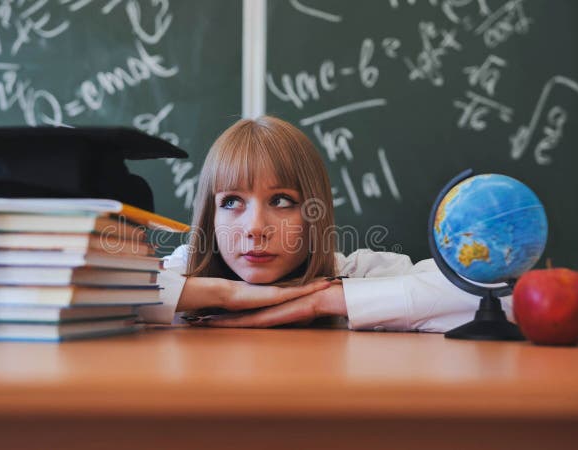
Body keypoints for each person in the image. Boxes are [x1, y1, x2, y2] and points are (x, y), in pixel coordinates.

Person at [137, 116, 512, 332]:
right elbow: (81, 299)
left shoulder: (351, 272)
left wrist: (322, 301)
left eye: (281, 201)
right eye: (232, 202)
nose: (255, 227)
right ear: (209, 215)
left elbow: (505, 302)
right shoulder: (186, 269)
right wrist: (225, 295)